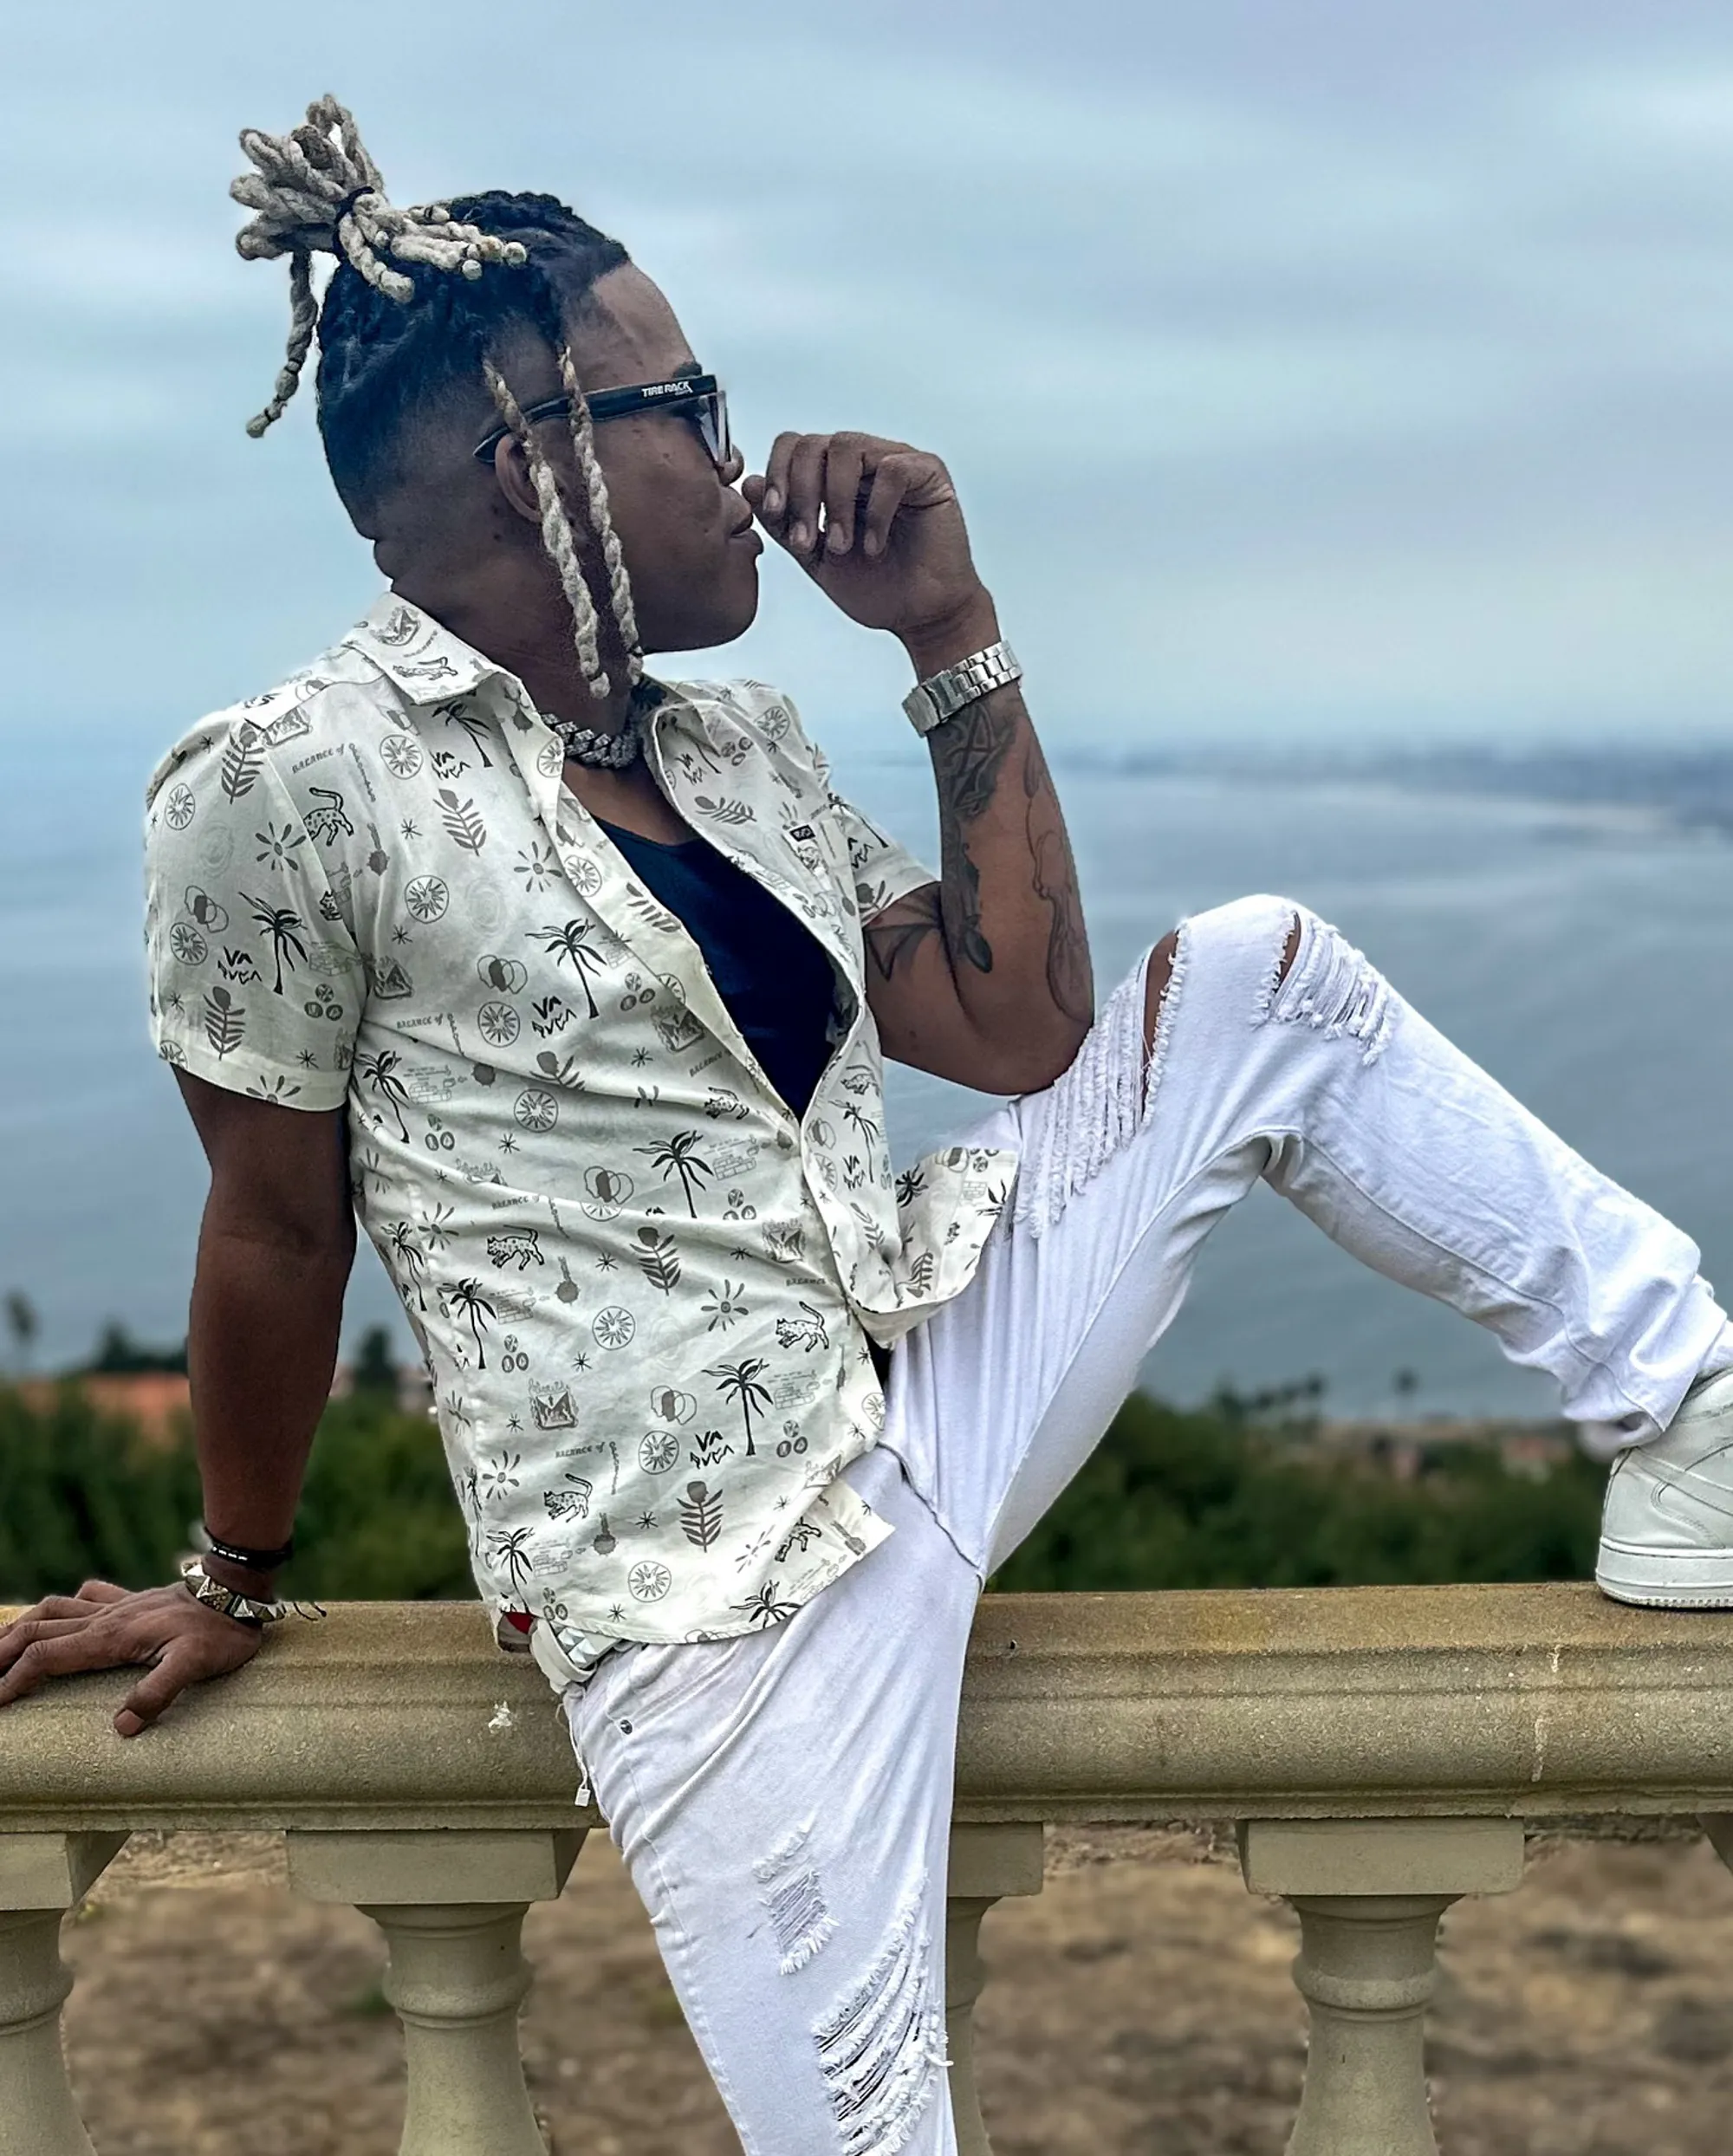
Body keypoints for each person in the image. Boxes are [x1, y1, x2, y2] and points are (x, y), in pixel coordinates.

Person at [5, 94, 1733, 2154]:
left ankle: (1695, 1413)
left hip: (916, 1394)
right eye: (684, 398)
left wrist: (946, 631)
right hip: (709, 1616)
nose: (742, 456)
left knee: (1261, 974)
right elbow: (274, 1228)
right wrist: (233, 1572)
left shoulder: (729, 740)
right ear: (533, 459)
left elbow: (1014, 1024)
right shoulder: (281, 785)